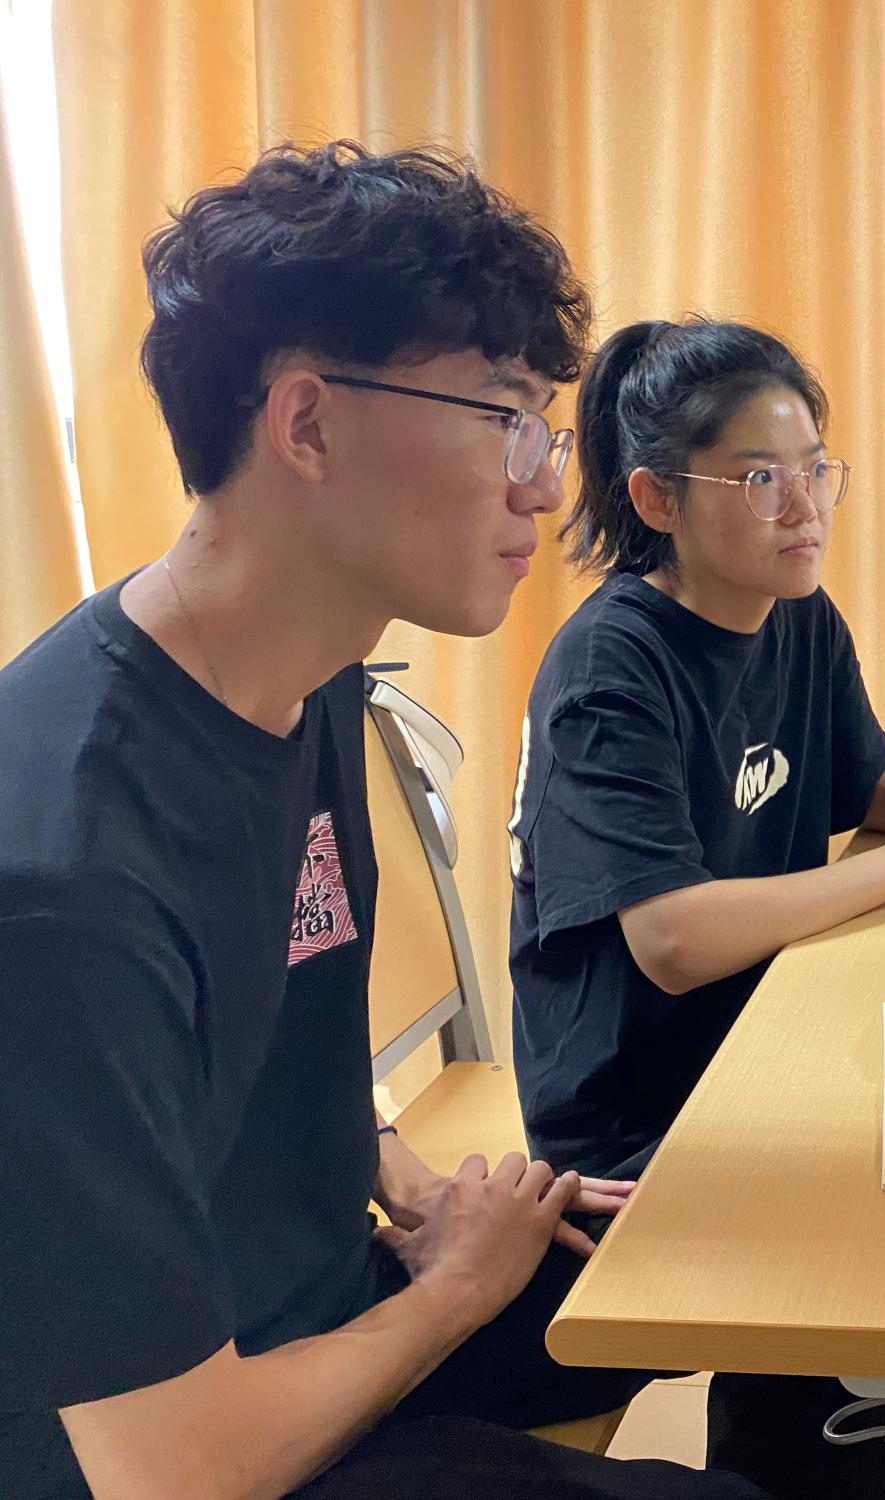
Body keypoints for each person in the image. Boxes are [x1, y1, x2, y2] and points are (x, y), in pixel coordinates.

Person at [0, 142, 768, 1500]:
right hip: (180, 1441)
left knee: (760, 1250)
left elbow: (262, 1033)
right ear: (306, 426)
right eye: (503, 418)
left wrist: (409, 1183)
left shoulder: (312, 676)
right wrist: (458, 1289)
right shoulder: (68, 874)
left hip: (323, 1303)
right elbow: (173, 1470)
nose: (545, 486)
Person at [507, 317, 885, 1500]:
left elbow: (861, 785)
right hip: (634, 1119)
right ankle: (813, 1474)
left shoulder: (797, 617)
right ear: (657, 498)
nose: (803, 507)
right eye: (757, 478)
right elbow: (672, 939)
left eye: (813, 468)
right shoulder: (610, 668)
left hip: (763, 1039)